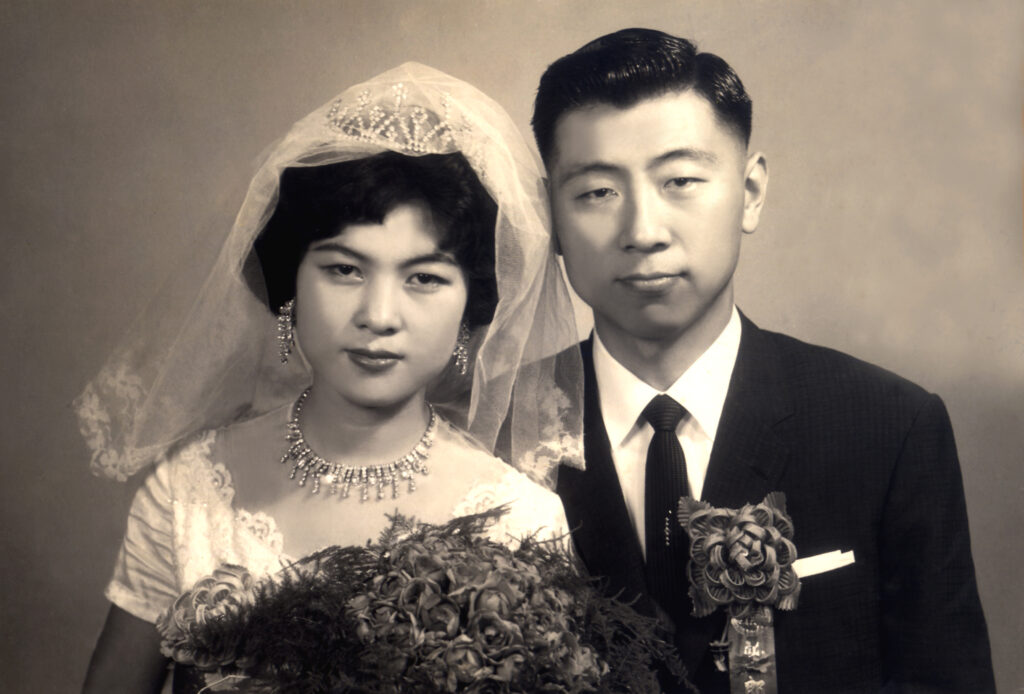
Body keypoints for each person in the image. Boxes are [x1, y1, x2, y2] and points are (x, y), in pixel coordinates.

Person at [77, 63, 583, 694]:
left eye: (424, 277)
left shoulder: (520, 518)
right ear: (290, 286)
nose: (378, 316)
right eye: (344, 269)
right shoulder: (188, 491)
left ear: (471, 312)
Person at [534, 28, 995, 693]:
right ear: (549, 211)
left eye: (680, 181)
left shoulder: (890, 428)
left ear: (750, 192)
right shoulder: (488, 432)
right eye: (597, 192)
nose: (642, 231)